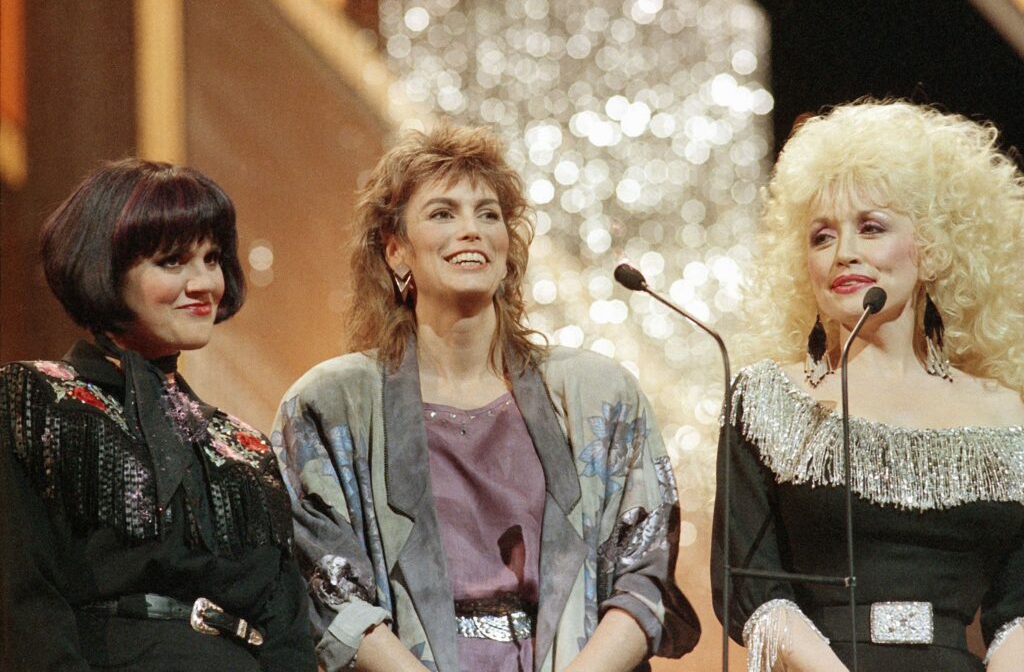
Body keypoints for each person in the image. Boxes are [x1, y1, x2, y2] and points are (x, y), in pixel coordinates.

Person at [272, 124, 700, 672]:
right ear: (396, 250)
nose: (470, 230)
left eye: (488, 214)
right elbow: (329, 593)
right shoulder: (330, 406)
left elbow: (644, 575)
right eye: (442, 214)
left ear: (508, 245)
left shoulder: (601, 395)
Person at [711, 99, 1024, 671]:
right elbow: (753, 589)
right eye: (821, 237)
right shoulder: (767, 400)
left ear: (933, 248)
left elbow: (1018, 609)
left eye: (871, 228)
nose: (844, 253)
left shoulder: (1008, 416)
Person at [0, 158, 316, 671]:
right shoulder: (35, 400)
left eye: (212, 259)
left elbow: (289, 640)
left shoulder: (245, 448)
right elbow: (24, 606)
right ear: (104, 267)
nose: (204, 283)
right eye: (172, 261)